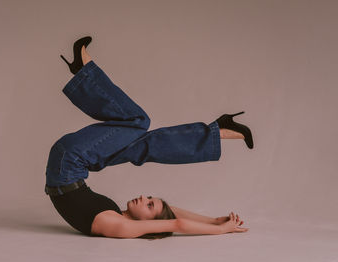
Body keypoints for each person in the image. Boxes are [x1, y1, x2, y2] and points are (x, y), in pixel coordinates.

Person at [45, 36, 252, 239]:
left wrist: (222, 230)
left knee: (138, 121)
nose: (144, 198)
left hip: (70, 161)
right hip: (73, 164)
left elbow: (175, 223)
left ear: (150, 225)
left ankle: (84, 71)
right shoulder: (121, 217)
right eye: (150, 199)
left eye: (149, 205)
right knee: (144, 146)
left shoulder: (119, 226)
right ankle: (220, 131)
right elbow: (172, 212)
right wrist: (214, 221)